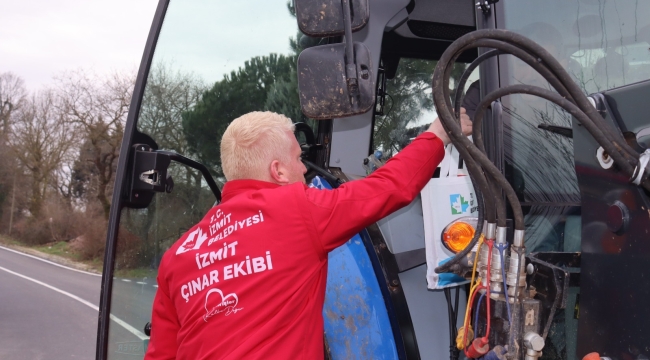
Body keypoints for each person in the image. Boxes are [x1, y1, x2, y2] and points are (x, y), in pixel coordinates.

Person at [145, 110, 472, 359]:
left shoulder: (178, 254)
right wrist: (439, 132)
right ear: (278, 170)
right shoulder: (294, 208)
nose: (305, 169)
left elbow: (160, 354)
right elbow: (389, 187)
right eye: (299, 159)